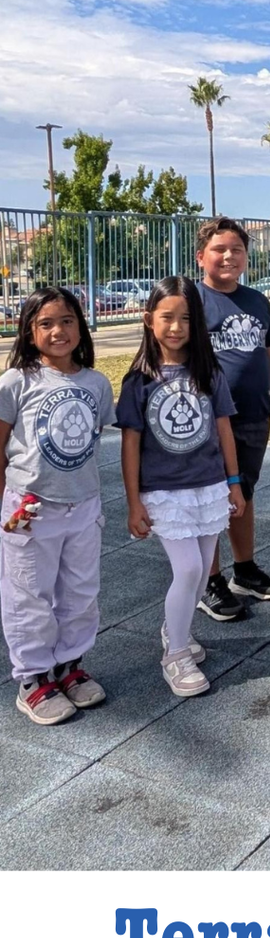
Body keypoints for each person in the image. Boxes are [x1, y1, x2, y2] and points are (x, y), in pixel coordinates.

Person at [116, 277, 245, 698]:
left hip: (209, 487)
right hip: (164, 492)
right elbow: (131, 443)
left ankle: (178, 630)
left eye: (186, 318)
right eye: (167, 317)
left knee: (202, 566)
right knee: (188, 569)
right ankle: (174, 655)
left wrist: (234, 483)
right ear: (148, 319)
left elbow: (224, 428)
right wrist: (134, 501)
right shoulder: (139, 379)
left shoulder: (208, 371)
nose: (176, 326)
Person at [0, 288, 115, 725]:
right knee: (29, 595)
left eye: (66, 320)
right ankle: (32, 678)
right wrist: (4, 511)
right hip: (28, 510)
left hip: (83, 505)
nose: (57, 330)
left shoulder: (96, 383)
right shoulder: (16, 382)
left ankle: (69, 665)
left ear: (80, 326)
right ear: (29, 332)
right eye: (45, 323)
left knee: (81, 593)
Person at [195, 217, 270, 620]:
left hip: (253, 416)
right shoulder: (191, 301)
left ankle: (244, 568)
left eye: (237, 249)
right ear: (201, 257)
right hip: (209, 421)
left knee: (242, 494)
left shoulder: (257, 301)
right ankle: (209, 580)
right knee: (211, 500)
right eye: (219, 249)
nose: (228, 256)